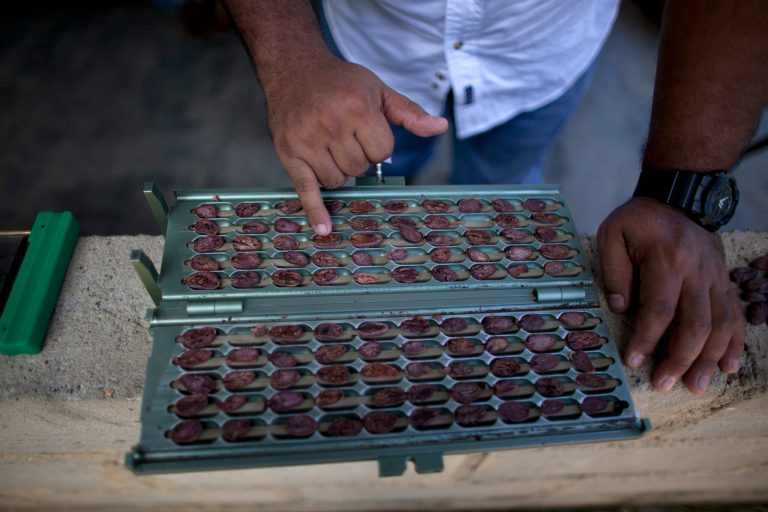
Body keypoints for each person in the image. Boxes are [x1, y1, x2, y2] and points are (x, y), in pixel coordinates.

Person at [223, 0, 766, 394]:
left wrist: (682, 190)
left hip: (540, 58)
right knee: (363, 200)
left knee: (504, 199)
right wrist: (291, 56)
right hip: (369, 49)